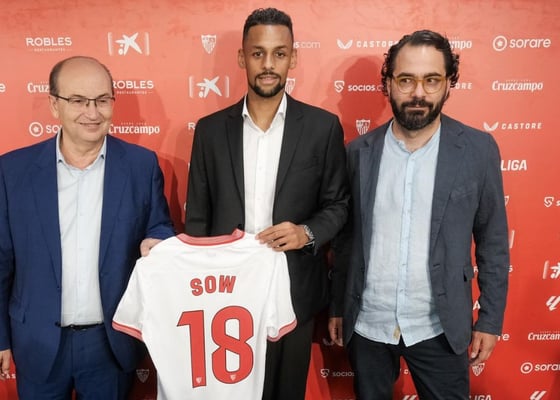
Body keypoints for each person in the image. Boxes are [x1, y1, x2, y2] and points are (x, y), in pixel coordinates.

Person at [329, 30, 509, 399]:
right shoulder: (359, 152)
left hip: (439, 325)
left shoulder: (477, 150)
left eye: (432, 80)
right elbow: (346, 240)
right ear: (388, 83)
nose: (418, 93)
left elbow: (492, 241)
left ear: (449, 84)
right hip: (369, 322)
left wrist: (490, 320)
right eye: (406, 79)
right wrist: (338, 306)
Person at [184, 7, 349, 400]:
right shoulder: (209, 131)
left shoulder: (322, 127)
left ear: (294, 58)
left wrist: (306, 232)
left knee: (285, 392)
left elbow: (339, 205)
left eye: (279, 53)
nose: (269, 64)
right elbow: (198, 218)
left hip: (293, 290)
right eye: (258, 53)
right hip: (225, 293)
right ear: (242, 58)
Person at [0, 56, 175, 399]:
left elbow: (160, 226)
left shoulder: (141, 166)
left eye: (102, 100)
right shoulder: (12, 171)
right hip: (36, 342)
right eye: (78, 100)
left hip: (110, 343)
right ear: (54, 104)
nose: (92, 113)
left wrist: (158, 240)